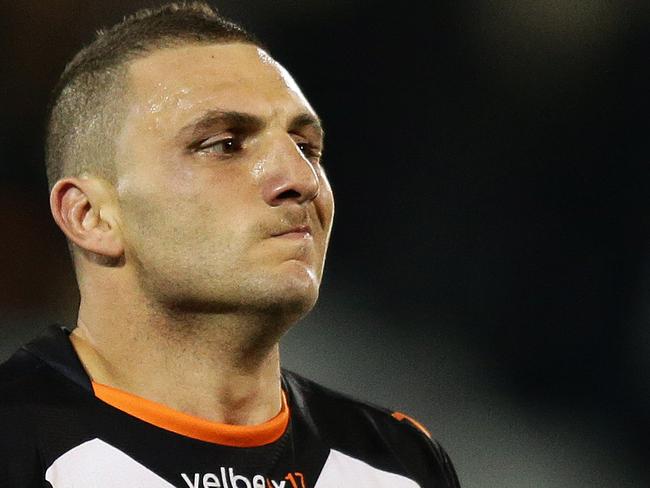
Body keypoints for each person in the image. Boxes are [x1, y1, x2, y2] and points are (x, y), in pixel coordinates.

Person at [0, 3, 460, 486]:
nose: (300, 179)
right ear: (90, 216)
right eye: (225, 144)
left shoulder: (400, 462)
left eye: (307, 147)